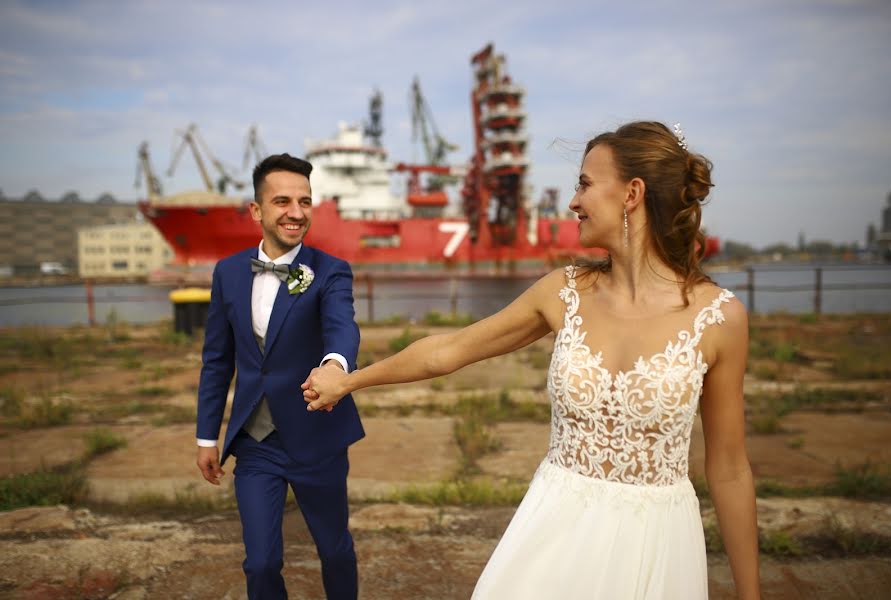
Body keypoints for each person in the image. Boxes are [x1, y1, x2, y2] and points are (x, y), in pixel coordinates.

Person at [303, 121, 760, 599]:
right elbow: (447, 351)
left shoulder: (720, 318)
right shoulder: (561, 293)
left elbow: (729, 468)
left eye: (585, 184)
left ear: (632, 193)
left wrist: (751, 596)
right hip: (556, 529)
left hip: (658, 544)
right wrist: (349, 380)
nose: (573, 201)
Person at [196, 153, 363, 600]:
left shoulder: (330, 271)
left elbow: (342, 327)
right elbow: (217, 360)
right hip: (255, 441)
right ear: (257, 210)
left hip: (317, 434)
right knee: (261, 563)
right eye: (283, 201)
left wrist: (335, 365)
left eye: (305, 202)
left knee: (335, 550)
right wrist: (206, 438)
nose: (296, 212)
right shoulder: (228, 273)